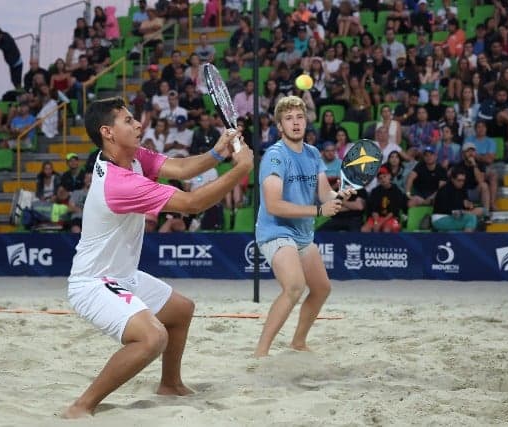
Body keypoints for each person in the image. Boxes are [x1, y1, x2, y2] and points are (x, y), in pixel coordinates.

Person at [63, 97, 252, 418]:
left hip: (122, 275)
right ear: (107, 132)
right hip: (93, 284)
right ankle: (82, 407)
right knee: (153, 338)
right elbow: (192, 203)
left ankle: (170, 384)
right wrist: (242, 168)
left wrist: (220, 151)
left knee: (180, 310)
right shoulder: (119, 183)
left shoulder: (132, 157)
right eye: (128, 120)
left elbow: (180, 168)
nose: (138, 124)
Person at [254, 95, 353, 358]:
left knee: (322, 289)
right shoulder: (274, 157)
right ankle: (260, 353)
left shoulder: (312, 153)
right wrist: (319, 210)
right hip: (275, 231)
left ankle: (298, 342)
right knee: (295, 287)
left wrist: (339, 195)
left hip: (302, 234)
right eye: (289, 119)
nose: (296, 123)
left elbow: (324, 194)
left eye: (299, 117)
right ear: (279, 126)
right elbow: (274, 204)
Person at [432, 167, 481, 232]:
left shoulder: (462, 189)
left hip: (452, 217)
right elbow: (446, 209)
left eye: (463, 180)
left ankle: (444, 232)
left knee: (480, 212)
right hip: (440, 218)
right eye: (459, 180)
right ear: (452, 179)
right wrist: (464, 210)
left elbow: (464, 205)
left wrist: (470, 206)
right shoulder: (444, 189)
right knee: (472, 218)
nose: (461, 183)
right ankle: (467, 240)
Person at [361, 166, 407, 233]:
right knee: (364, 230)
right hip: (376, 218)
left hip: (392, 218)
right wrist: (376, 223)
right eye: (380, 178)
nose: (383, 179)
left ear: (389, 176)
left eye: (384, 176)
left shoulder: (396, 191)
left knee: (386, 230)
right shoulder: (375, 191)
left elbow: (394, 211)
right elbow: (373, 210)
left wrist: (380, 223)